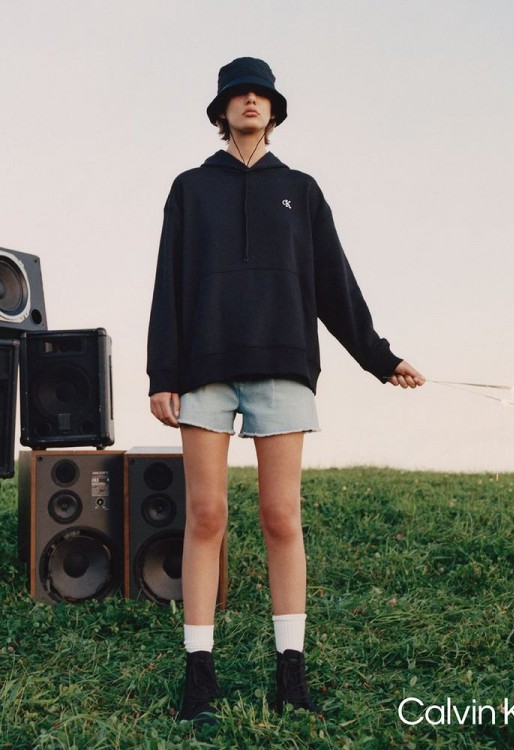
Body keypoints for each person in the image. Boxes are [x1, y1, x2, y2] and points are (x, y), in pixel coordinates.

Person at [147, 57, 425, 725]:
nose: (250, 101)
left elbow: (334, 284)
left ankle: (291, 672)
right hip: (204, 372)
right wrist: (162, 376)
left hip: (283, 369)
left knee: (281, 517)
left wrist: (380, 357)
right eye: (238, 94)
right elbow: (168, 285)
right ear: (221, 112)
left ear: (275, 111)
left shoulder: (300, 190)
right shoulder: (190, 189)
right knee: (206, 516)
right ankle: (198, 674)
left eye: (261, 94)